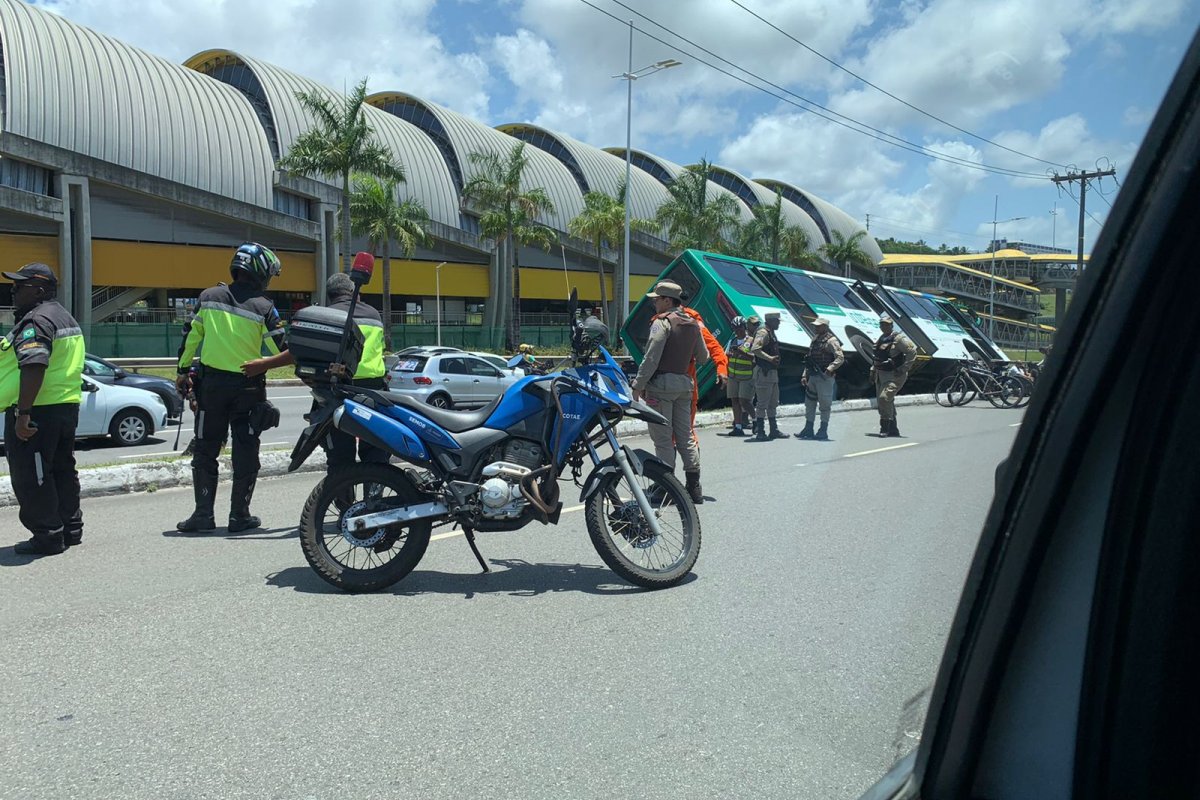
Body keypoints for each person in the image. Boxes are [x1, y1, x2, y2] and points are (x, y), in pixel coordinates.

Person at [174, 242, 285, 533]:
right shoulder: (265, 307)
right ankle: (239, 516)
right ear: (260, 271)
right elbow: (281, 348)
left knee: (206, 450)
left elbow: (190, 337)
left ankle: (203, 515)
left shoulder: (208, 297)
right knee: (246, 451)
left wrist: (183, 372)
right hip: (249, 387)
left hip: (211, 386)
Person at [243, 271, 388, 472]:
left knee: (339, 459)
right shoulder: (374, 315)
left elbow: (298, 351)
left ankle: (342, 501)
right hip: (373, 393)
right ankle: (376, 499)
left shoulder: (326, 317)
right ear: (354, 293)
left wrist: (263, 364)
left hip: (338, 393)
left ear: (329, 296)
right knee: (376, 457)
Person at [1, 263, 86, 556]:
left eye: (19, 286)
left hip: (37, 410)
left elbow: (34, 364)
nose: (13, 292)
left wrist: (23, 414)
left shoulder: (36, 320)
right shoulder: (64, 316)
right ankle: (70, 529)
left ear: (38, 290)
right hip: (64, 407)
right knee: (62, 469)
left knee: (32, 475)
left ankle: (48, 536)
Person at [631, 281, 710, 504]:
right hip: (684, 386)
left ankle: (665, 488)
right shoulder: (694, 324)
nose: (654, 303)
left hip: (661, 387)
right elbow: (703, 357)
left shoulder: (661, 323)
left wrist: (638, 385)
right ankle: (694, 487)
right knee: (685, 436)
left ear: (667, 300)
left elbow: (651, 357)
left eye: (657, 299)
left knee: (663, 439)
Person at [795, 318, 844, 441]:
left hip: (825, 377)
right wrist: (804, 375)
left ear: (825, 327)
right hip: (813, 376)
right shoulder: (815, 339)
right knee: (809, 403)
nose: (815, 328)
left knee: (824, 405)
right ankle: (808, 428)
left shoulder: (832, 341)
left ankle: (823, 430)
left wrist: (830, 368)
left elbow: (840, 357)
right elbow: (809, 358)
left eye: (819, 326)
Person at [871, 314, 916, 437]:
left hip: (894, 375)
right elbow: (877, 357)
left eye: (886, 324)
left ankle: (884, 428)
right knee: (885, 402)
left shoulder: (899, 339)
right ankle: (893, 429)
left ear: (891, 325)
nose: (883, 327)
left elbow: (912, 352)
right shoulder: (881, 338)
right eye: (882, 324)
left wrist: (904, 368)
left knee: (884, 398)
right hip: (881, 374)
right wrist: (873, 370)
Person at [750, 311, 785, 441]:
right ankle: (760, 432)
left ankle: (774, 430)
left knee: (773, 402)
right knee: (762, 403)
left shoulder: (770, 332)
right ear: (771, 321)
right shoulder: (763, 332)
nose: (779, 323)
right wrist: (770, 358)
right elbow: (755, 349)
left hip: (771, 372)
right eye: (777, 320)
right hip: (764, 373)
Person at [723, 316, 755, 436]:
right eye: (735, 328)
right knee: (735, 401)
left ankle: (756, 420)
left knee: (744, 401)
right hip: (733, 376)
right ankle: (738, 427)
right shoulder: (732, 341)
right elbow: (727, 356)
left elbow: (754, 358)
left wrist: (741, 352)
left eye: (740, 328)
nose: (737, 330)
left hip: (746, 376)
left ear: (745, 327)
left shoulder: (751, 341)